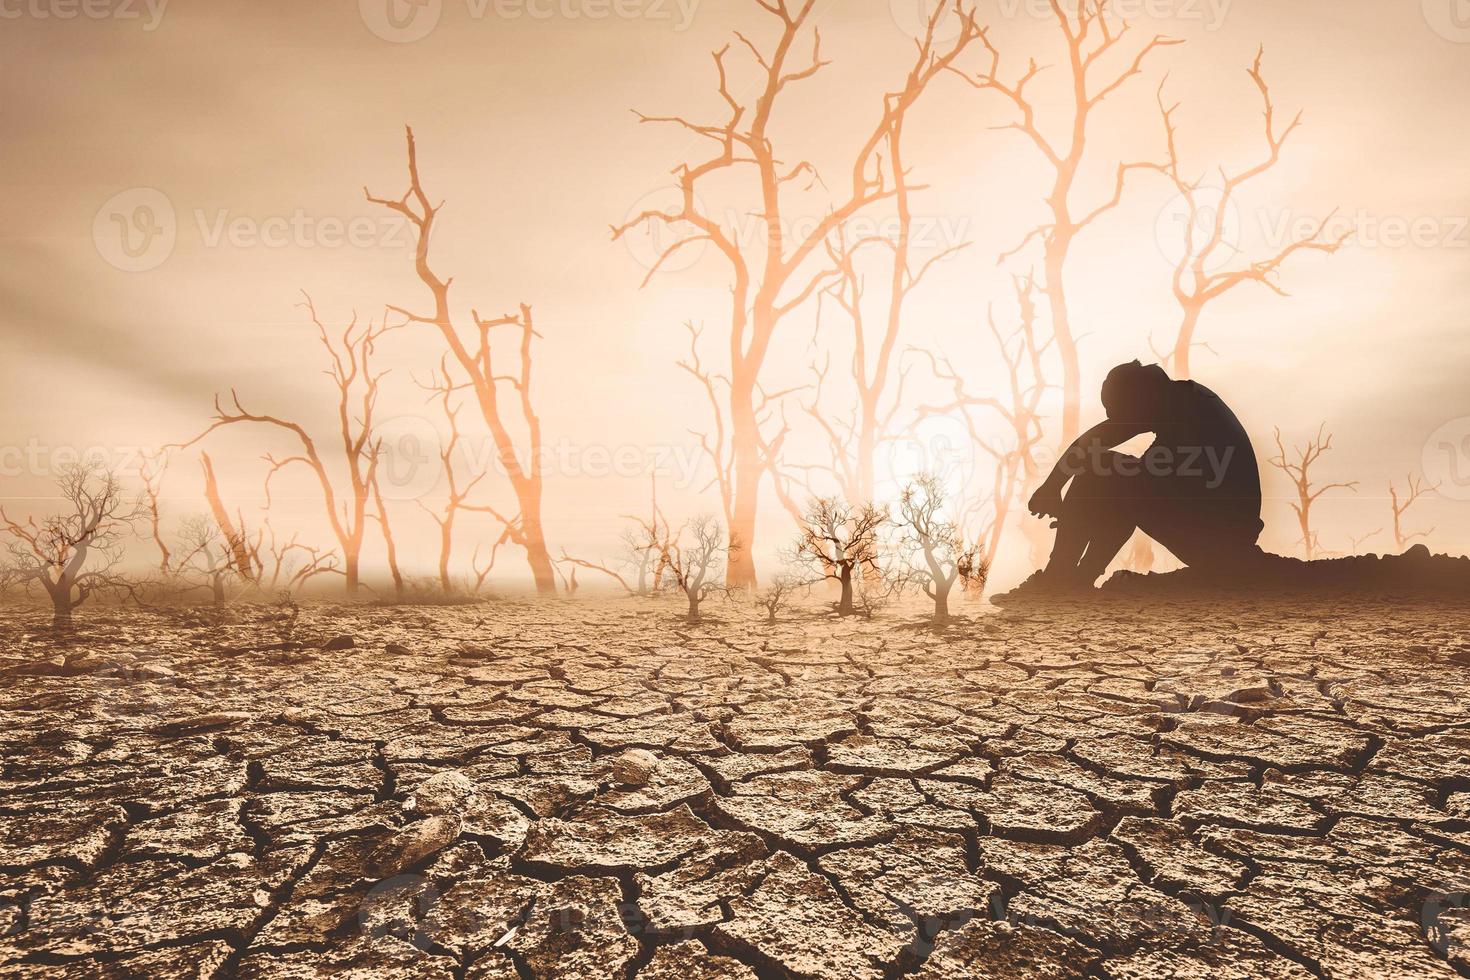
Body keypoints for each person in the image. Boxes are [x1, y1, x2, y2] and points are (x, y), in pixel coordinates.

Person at [1006, 361, 1263, 597]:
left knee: (1100, 470)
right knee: (1115, 481)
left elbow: (1093, 446)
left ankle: (1061, 575)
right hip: (1223, 533)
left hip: (1217, 538)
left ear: (1138, 399)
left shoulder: (1176, 405)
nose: (1111, 418)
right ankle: (1075, 577)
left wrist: (1053, 489)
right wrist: (1082, 511)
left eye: (1115, 409)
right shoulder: (1185, 402)